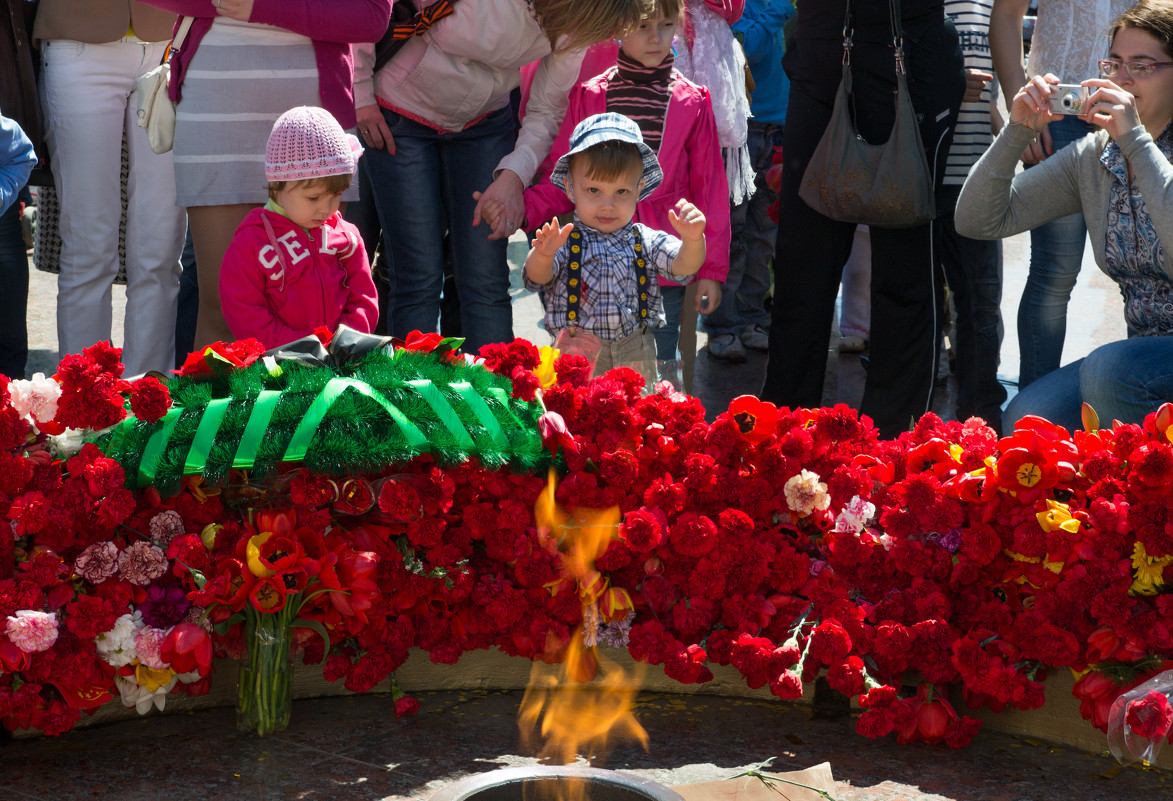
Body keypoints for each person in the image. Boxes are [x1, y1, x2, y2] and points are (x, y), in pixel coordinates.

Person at [352, 0, 653, 357]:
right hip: (399, 113)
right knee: (418, 276)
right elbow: (371, 12)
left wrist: (514, 174)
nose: (601, 40)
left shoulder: (577, 26)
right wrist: (360, 93)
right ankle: (414, 403)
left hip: (483, 125)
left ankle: (493, 402)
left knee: (485, 280)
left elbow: (547, 109)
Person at [957, 0, 1173, 432]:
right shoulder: (1096, 155)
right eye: (1114, 64)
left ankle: (1147, 495)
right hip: (1144, 357)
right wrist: (1017, 130)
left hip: (1132, 365)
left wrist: (1135, 142)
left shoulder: (1127, 144)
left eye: (1142, 65)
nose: (1123, 79)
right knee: (1026, 420)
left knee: (1109, 370)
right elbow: (977, 220)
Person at [760, 0, 966, 438]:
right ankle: (782, 444)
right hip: (822, 51)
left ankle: (896, 449)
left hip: (911, 53)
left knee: (906, 269)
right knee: (802, 267)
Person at [140, 0, 393, 350]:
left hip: (317, 109)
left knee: (317, 318)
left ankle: (309, 407)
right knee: (221, 311)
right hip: (217, 103)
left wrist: (259, 6)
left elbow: (371, 15)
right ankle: (217, 408)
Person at [511, 0, 729, 387]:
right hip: (587, 260)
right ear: (619, 26)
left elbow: (709, 188)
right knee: (577, 384)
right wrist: (520, 210)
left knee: (653, 375)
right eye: (644, 25)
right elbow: (564, 170)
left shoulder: (693, 101)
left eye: (665, 25)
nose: (656, 37)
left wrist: (710, 269)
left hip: (661, 258)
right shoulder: (590, 93)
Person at [33, 0, 187, 376]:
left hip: (170, 42)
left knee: (162, 248)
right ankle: (83, 403)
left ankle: (150, 402)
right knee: (88, 243)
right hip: (77, 41)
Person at [989, 0, 1133, 389]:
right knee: (1054, 272)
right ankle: (1033, 419)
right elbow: (1005, 15)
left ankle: (1145, 422)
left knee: (1147, 273)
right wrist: (1023, 113)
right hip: (1057, 113)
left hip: (1135, 113)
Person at [522, 113, 707, 388]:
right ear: (571, 188)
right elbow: (536, 277)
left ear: (639, 189)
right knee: (577, 421)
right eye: (594, 190)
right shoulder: (566, 239)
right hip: (577, 354)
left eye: (620, 192)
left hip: (636, 350)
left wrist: (693, 240)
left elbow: (683, 265)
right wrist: (543, 255)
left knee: (637, 422)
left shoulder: (644, 239)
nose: (607, 205)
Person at [219, 107, 377, 350]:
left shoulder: (346, 237)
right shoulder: (252, 242)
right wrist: (298, 348)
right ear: (277, 184)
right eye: (313, 198)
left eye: (335, 195)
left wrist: (345, 344)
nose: (327, 209)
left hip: (342, 361)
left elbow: (363, 297)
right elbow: (243, 308)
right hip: (278, 367)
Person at [705, 0, 793, 363]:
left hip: (778, 129)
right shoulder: (732, 6)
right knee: (733, 233)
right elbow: (745, 49)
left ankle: (753, 319)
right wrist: (779, 10)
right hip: (739, 131)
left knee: (765, 232)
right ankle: (722, 326)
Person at [941, 0, 1007, 431]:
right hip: (922, 175)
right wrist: (948, 84)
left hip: (978, 179)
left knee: (981, 302)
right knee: (921, 301)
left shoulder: (996, 9)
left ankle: (980, 413)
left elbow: (994, 93)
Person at [1, 0, 44, 380]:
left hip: (1, 231)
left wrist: (3, 192)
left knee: (10, 329)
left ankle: (10, 403)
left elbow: (22, 155)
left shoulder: (4, 129)